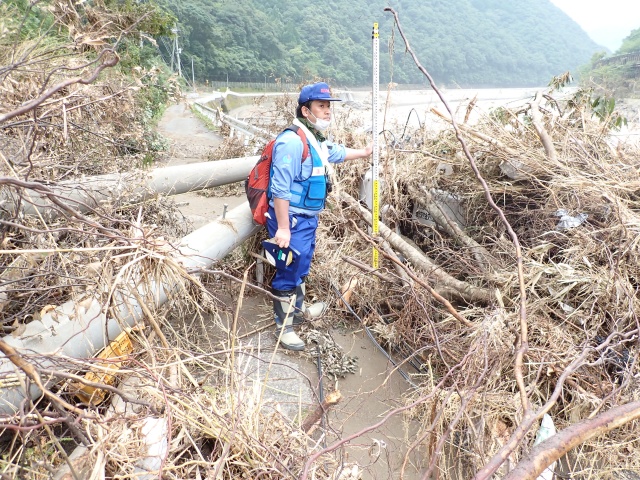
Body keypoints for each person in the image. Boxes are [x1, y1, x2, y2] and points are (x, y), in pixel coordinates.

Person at [266, 82, 372, 351]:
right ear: (306, 109)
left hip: (307, 219)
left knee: (301, 266)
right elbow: (279, 188)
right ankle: (284, 328)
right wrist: (282, 228)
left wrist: (364, 152)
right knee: (288, 269)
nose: (327, 112)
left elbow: (335, 153)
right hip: (290, 219)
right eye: (321, 106)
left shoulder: (315, 139)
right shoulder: (291, 141)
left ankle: (297, 313)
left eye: (328, 107)